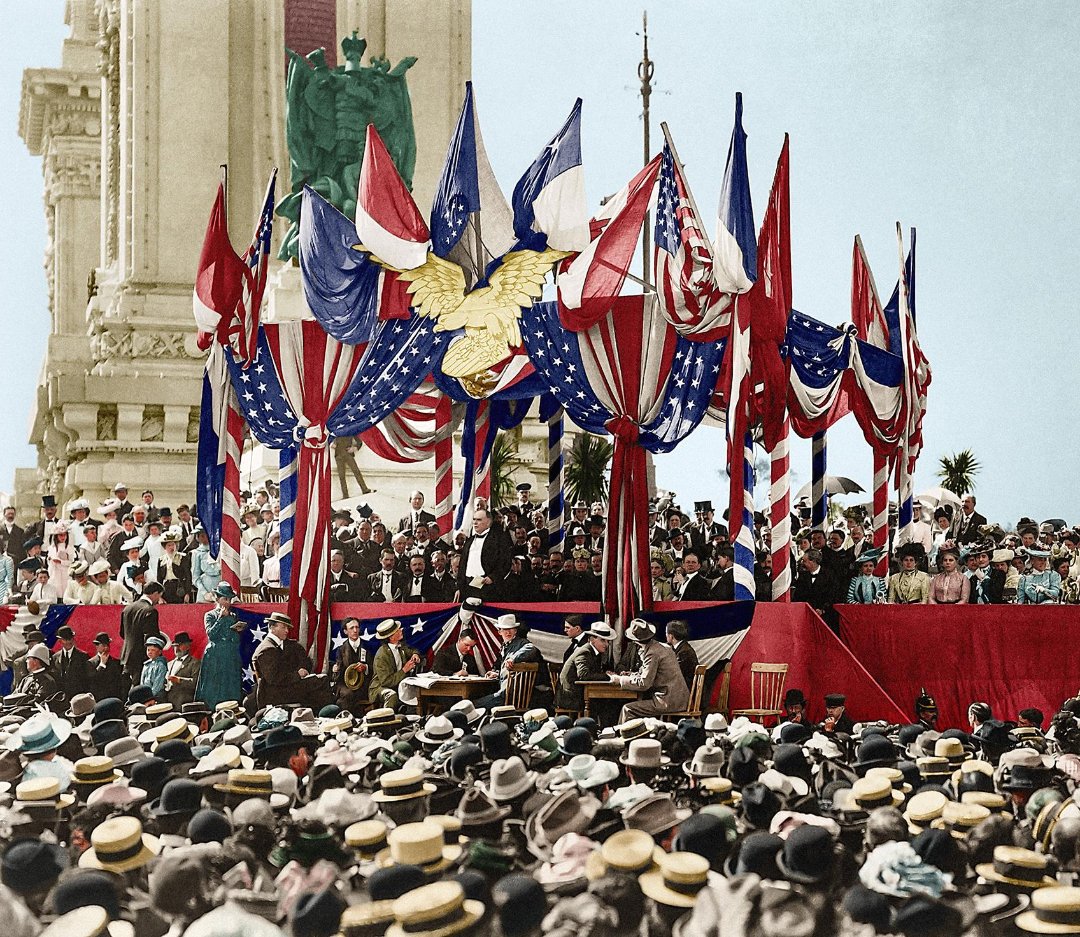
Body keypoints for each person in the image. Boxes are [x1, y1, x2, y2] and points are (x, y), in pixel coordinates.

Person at [611, 619, 689, 722]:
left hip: (668, 701)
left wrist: (620, 680)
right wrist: (632, 675)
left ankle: (625, 736)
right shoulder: (663, 647)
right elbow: (650, 673)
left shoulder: (652, 653)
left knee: (628, 709)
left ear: (635, 640)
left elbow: (644, 683)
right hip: (678, 699)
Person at [251, 611, 330, 710]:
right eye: (283, 627)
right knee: (322, 681)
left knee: (318, 683)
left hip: (284, 687)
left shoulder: (284, 645)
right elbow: (274, 679)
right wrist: (298, 675)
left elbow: (302, 661)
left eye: (287, 627)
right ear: (272, 628)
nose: (287, 631)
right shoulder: (267, 649)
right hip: (276, 694)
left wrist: (301, 672)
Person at [195, 582, 245, 708]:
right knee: (214, 685)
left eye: (229, 599)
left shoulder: (233, 616)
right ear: (217, 599)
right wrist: (221, 619)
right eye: (224, 599)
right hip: (215, 654)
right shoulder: (210, 615)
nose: (227, 602)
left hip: (230, 653)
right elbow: (211, 635)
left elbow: (235, 639)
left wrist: (236, 631)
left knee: (230, 684)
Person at [556, 621, 614, 712]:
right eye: (603, 640)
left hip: (578, 694)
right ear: (592, 639)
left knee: (609, 701)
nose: (606, 645)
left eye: (608, 641)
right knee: (608, 703)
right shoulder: (585, 652)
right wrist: (608, 676)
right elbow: (583, 675)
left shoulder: (595, 652)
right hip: (571, 698)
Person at [456, 508, 511, 602]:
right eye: (474, 519)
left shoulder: (498, 539)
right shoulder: (469, 540)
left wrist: (493, 577)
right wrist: (459, 587)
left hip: (487, 586)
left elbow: (505, 562)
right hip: (467, 587)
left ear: (488, 522)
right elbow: (462, 565)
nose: (475, 522)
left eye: (479, 520)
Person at [369, 618, 422, 710]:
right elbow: (386, 681)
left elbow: (413, 650)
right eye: (397, 630)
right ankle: (386, 718)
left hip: (398, 684)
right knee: (391, 696)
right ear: (391, 637)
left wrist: (415, 654)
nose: (401, 630)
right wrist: (404, 670)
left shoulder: (401, 647)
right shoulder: (381, 655)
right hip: (380, 687)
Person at [119, 582, 164, 682]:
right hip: (141, 657)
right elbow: (151, 637)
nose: (158, 600)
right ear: (155, 593)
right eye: (159, 596)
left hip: (126, 656)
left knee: (126, 690)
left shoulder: (127, 608)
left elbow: (122, 633)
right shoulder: (150, 610)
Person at [331, 617, 369, 709]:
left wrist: (365, 667)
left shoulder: (368, 646)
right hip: (345, 685)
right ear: (345, 631)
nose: (355, 630)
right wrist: (335, 669)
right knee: (347, 695)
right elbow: (338, 676)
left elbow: (375, 667)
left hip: (365, 684)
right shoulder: (340, 650)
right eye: (351, 628)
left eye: (357, 627)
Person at [51, 625, 89, 701]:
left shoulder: (83, 656)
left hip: (79, 697)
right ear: (60, 641)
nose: (69, 642)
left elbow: (87, 679)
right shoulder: (55, 657)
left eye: (71, 638)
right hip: (62, 699)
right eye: (66, 639)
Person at [164, 631, 201, 708]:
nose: (177, 648)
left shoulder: (195, 663)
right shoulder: (169, 664)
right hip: (169, 704)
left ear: (188, 646)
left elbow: (196, 683)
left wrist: (179, 680)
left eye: (180, 645)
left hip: (184, 704)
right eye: (175, 646)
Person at [86, 631, 125, 701]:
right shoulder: (91, 663)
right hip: (99, 700)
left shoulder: (116, 662)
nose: (106, 648)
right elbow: (93, 681)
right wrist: (102, 665)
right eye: (103, 645)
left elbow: (120, 683)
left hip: (115, 699)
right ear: (97, 646)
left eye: (108, 645)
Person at [156, 529, 192, 603]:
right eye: (169, 545)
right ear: (164, 547)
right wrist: (159, 597)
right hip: (166, 588)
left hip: (179, 587)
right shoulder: (161, 559)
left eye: (173, 544)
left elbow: (188, 576)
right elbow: (159, 579)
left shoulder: (183, 557)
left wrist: (187, 593)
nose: (171, 547)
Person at [666, 620, 699, 688]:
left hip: (684, 691)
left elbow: (675, 674)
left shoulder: (684, 652)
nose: (666, 635)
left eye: (666, 633)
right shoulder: (680, 648)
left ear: (671, 636)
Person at [140, 634, 168, 700]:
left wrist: (150, 697)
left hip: (157, 696)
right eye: (148, 650)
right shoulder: (146, 664)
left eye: (153, 650)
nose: (150, 652)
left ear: (160, 652)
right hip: (146, 695)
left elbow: (158, 684)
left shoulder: (161, 665)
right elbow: (142, 681)